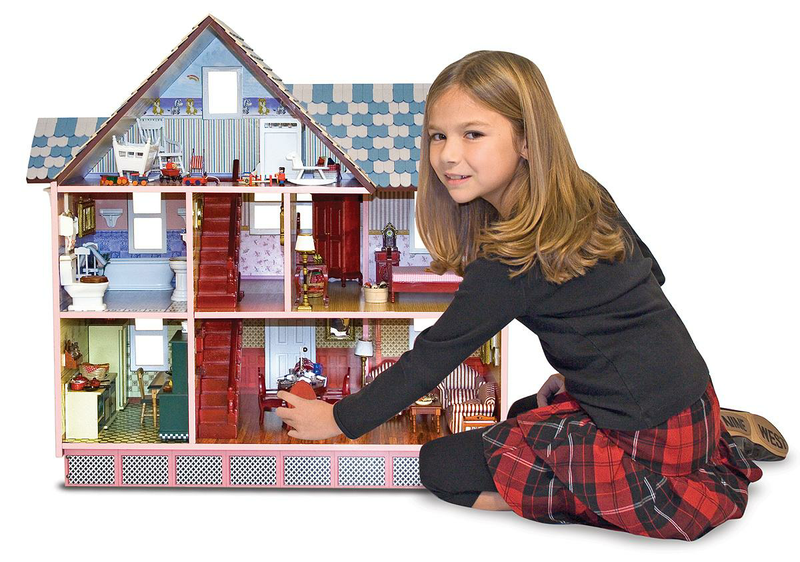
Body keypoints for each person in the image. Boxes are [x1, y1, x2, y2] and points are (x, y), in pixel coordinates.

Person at [275, 50, 784, 540]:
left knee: (440, 468)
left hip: (644, 431)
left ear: (525, 139)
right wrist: (583, 373)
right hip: (691, 394)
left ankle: (620, 488)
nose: (447, 155)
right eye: (437, 136)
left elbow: (434, 356)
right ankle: (706, 436)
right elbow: (650, 275)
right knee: (524, 410)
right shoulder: (583, 190)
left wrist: (337, 419)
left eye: (473, 134)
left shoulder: (513, 258)